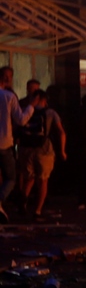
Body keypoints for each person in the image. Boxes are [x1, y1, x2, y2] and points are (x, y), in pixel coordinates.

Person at [17, 89, 66, 220]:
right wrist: (62, 151)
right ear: (45, 100)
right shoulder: (50, 112)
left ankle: (23, 202)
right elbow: (61, 132)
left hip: (26, 149)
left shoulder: (24, 110)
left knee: (29, 178)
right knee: (43, 180)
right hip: (44, 150)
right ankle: (37, 210)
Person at [0, 66, 39, 223]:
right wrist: (32, 106)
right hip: (3, 144)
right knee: (10, 177)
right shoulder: (9, 96)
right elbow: (21, 119)